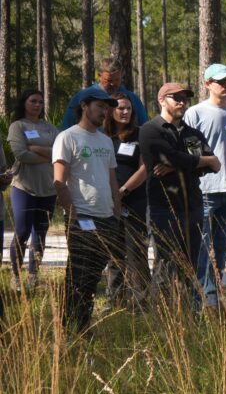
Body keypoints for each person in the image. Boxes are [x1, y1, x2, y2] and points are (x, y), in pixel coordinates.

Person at [139, 83, 220, 308]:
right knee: (167, 262)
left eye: (185, 98)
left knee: (189, 264)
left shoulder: (192, 133)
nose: (182, 102)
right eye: (176, 98)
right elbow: (168, 157)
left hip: (192, 206)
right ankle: (162, 314)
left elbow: (213, 166)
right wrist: (197, 160)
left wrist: (177, 164)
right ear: (162, 100)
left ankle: (186, 312)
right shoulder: (150, 129)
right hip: (163, 207)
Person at [51, 87, 121, 331]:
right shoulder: (67, 137)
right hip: (82, 216)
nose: (104, 112)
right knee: (78, 277)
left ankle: (83, 325)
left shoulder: (105, 140)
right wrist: (72, 214)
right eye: (100, 106)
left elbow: (112, 179)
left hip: (106, 217)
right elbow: (59, 179)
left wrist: (117, 211)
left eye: (106, 107)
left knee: (93, 277)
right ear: (84, 106)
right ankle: (69, 328)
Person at [185, 63, 226, 308]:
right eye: (221, 82)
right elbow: (190, 152)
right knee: (201, 248)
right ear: (208, 84)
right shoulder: (195, 113)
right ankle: (199, 301)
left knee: (221, 249)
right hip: (204, 191)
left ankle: (214, 295)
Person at [7, 89, 58, 287]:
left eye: (40, 102)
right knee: (21, 231)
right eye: (33, 101)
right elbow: (21, 154)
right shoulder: (17, 126)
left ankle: (33, 276)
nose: (37, 105)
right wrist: (48, 155)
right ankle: (16, 276)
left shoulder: (49, 128)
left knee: (41, 233)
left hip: (49, 188)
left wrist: (35, 148)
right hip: (24, 187)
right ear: (24, 103)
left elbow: (61, 152)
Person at [104, 95, 150, 309]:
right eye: (120, 108)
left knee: (136, 252)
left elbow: (145, 168)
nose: (125, 112)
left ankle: (142, 301)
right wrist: (113, 196)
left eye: (129, 109)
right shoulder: (103, 136)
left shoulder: (140, 134)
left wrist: (123, 191)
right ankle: (114, 299)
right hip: (108, 202)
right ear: (111, 111)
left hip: (135, 201)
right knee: (114, 252)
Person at [60, 56, 149, 130]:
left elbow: (144, 127)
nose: (113, 84)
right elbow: (67, 127)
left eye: (117, 80)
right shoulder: (83, 97)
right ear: (99, 76)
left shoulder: (132, 98)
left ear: (121, 75)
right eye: (109, 80)